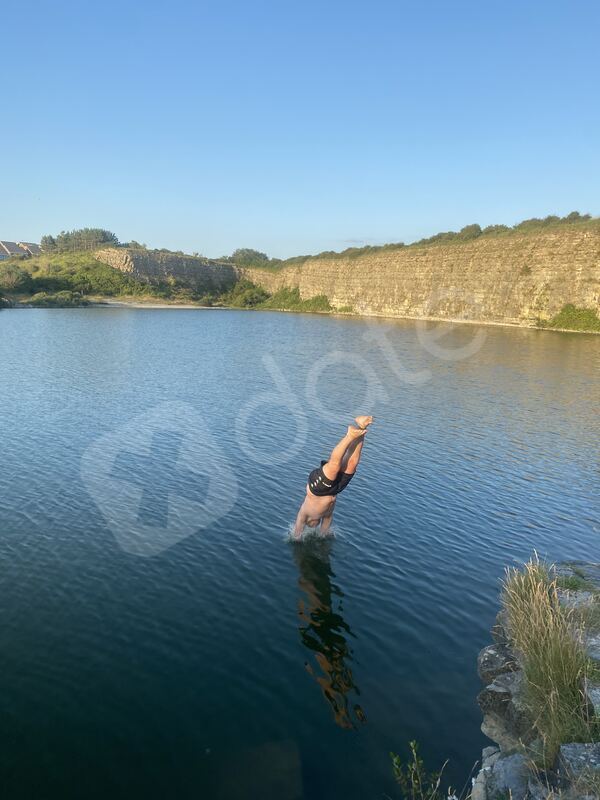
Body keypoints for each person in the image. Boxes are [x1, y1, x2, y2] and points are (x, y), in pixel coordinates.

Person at [294, 416, 373, 537]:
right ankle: (361, 427)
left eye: (313, 525)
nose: (315, 526)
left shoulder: (303, 515)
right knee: (352, 464)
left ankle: (350, 435)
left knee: (334, 465)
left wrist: (297, 538)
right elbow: (325, 530)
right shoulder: (326, 516)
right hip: (335, 489)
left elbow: (296, 533)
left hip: (317, 488)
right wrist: (324, 539)